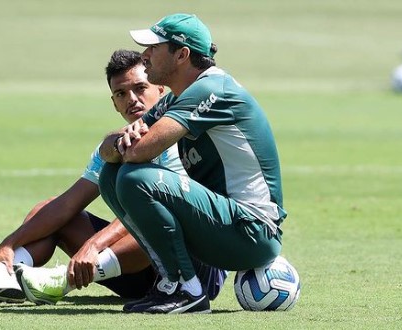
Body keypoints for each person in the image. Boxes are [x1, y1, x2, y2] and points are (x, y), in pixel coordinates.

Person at [0, 49, 227, 305]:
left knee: (153, 221)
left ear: (161, 89)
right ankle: (4, 275)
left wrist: (93, 245)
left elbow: (148, 212)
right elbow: (67, 205)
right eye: (121, 94)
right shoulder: (115, 145)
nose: (132, 100)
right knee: (48, 210)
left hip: (195, 273)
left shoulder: (177, 136)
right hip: (139, 273)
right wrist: (8, 244)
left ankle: (59, 281)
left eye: (140, 88)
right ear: (114, 104)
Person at [97, 13, 287, 314]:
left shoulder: (211, 89)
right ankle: (172, 283)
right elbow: (107, 153)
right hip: (221, 227)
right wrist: (121, 141)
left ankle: (188, 291)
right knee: (111, 175)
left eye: (154, 48)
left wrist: (128, 146)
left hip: (252, 232)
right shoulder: (177, 98)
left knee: (134, 177)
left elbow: (137, 152)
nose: (145, 56)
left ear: (182, 55)